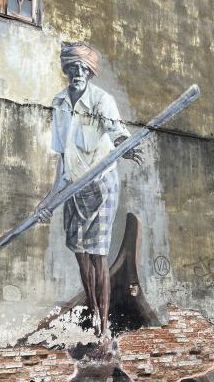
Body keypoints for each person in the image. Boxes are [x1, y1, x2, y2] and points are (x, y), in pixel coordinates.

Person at [36, 42, 142, 341]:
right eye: (72, 68)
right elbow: (62, 158)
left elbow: (118, 133)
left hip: (101, 185)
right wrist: (50, 198)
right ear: (67, 70)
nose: (77, 73)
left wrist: (126, 148)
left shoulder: (101, 100)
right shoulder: (59, 104)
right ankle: (93, 308)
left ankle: (103, 326)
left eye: (83, 68)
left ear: (90, 72)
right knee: (81, 255)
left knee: (98, 256)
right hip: (75, 187)